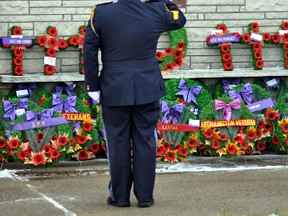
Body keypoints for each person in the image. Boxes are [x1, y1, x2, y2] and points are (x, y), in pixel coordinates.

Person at [83, 0, 186, 208]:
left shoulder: (102, 12)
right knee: (146, 141)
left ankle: (119, 197)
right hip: (147, 87)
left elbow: (89, 51)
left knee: (117, 142)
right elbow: (179, 19)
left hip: (114, 87)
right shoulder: (156, 10)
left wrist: (92, 86)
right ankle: (145, 197)